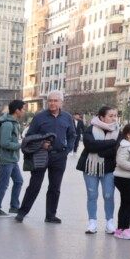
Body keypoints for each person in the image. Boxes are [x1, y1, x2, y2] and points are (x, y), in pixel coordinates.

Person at [15, 90, 77, 224]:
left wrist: (68, 150)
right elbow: (30, 136)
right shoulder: (39, 117)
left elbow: (72, 135)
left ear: (61, 103)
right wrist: (41, 143)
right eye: (50, 101)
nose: (52, 103)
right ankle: (22, 212)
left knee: (55, 187)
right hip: (41, 155)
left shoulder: (67, 117)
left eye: (55, 101)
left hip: (59, 156)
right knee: (34, 185)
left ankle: (50, 215)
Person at [77, 105, 120, 235]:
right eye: (110, 116)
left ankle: (109, 223)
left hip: (109, 168)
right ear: (102, 117)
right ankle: (92, 222)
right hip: (90, 167)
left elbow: (118, 148)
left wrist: (101, 150)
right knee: (92, 195)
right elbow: (90, 145)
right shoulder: (90, 129)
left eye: (115, 116)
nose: (114, 118)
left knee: (108, 195)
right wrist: (111, 143)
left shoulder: (118, 130)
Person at [0, 100, 25, 216]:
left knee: (19, 181)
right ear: (17, 110)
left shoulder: (14, 122)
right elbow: (4, 143)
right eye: (23, 109)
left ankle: (14, 207)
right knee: (4, 184)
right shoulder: (7, 124)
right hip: (6, 159)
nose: (24, 111)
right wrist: (20, 145)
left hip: (12, 159)